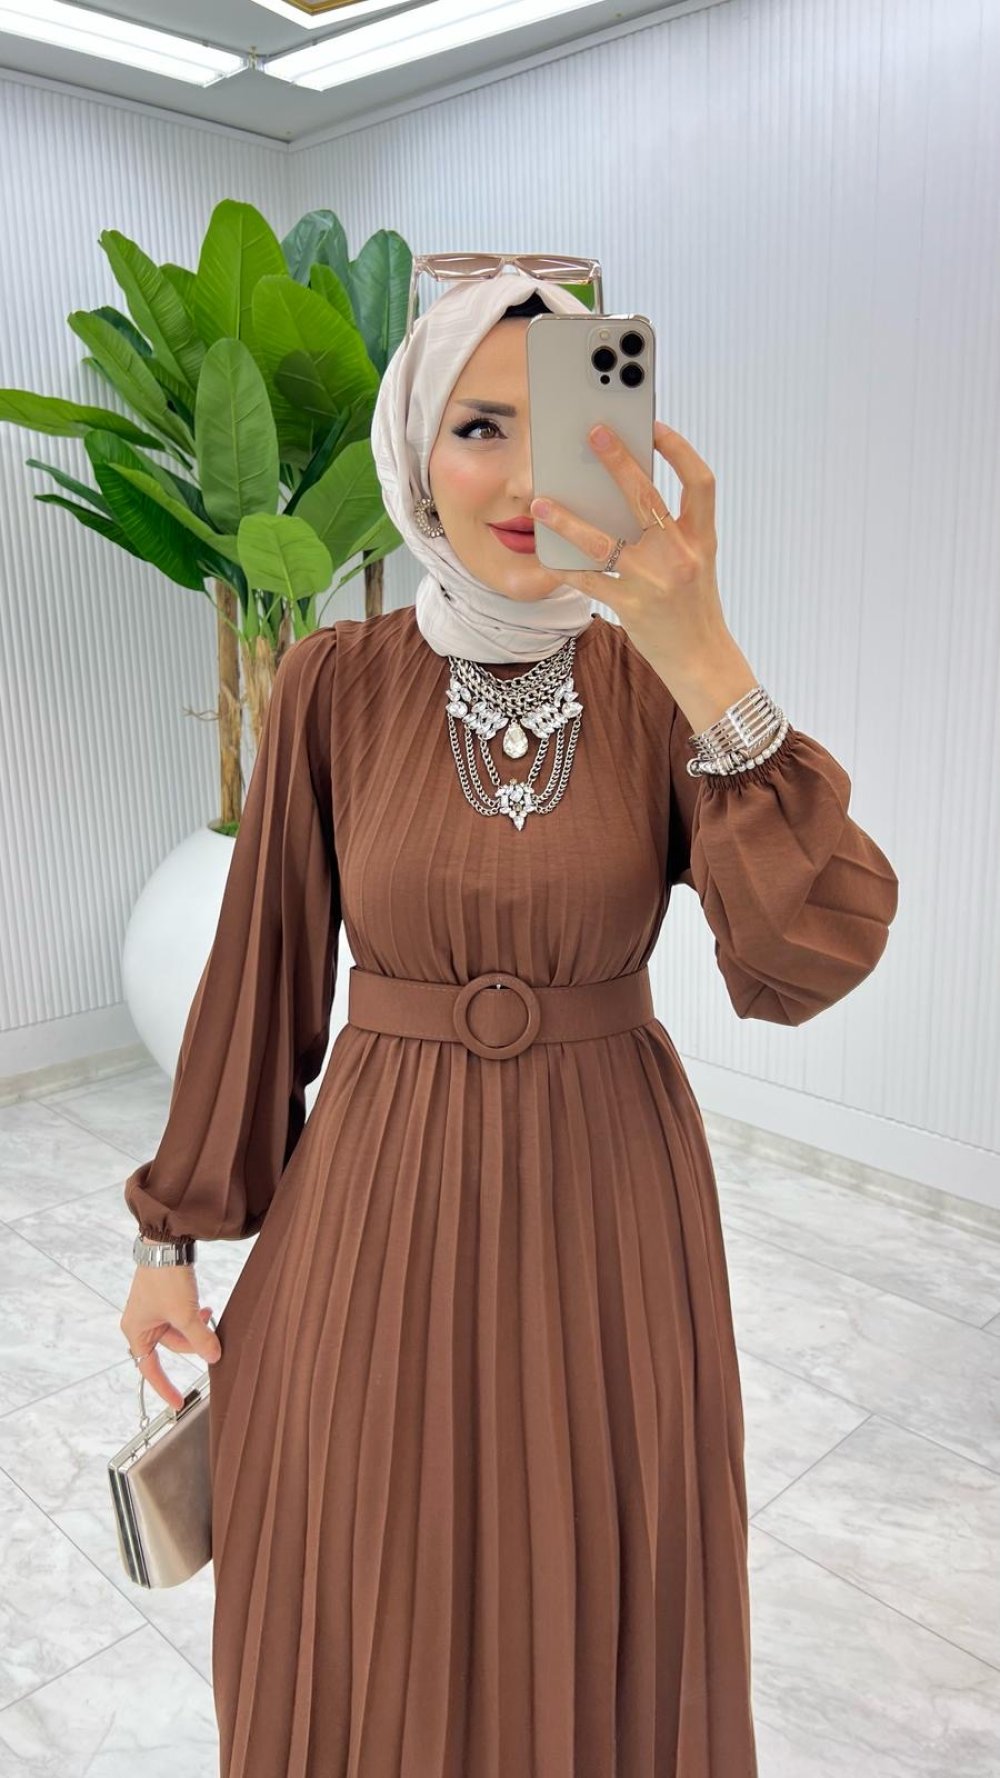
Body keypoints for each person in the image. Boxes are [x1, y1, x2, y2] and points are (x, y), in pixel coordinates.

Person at [119, 270, 899, 1778]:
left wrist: (705, 651)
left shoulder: (661, 687)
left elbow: (809, 957)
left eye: (563, 421)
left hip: (610, 1207)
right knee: (359, 1566)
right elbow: (263, 976)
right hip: (375, 1204)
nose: (531, 474)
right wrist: (169, 1241)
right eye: (481, 425)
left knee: (604, 1570)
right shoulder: (336, 684)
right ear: (417, 452)